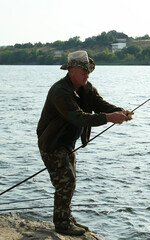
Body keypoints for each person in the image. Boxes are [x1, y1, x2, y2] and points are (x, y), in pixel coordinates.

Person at [37, 50, 133, 236]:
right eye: (83, 71)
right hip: (53, 144)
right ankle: (62, 224)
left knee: (70, 181)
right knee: (66, 181)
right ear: (71, 70)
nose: (87, 74)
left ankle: (66, 217)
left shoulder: (86, 87)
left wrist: (120, 111)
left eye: (88, 71)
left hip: (67, 143)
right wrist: (109, 118)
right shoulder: (60, 91)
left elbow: (100, 104)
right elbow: (77, 117)